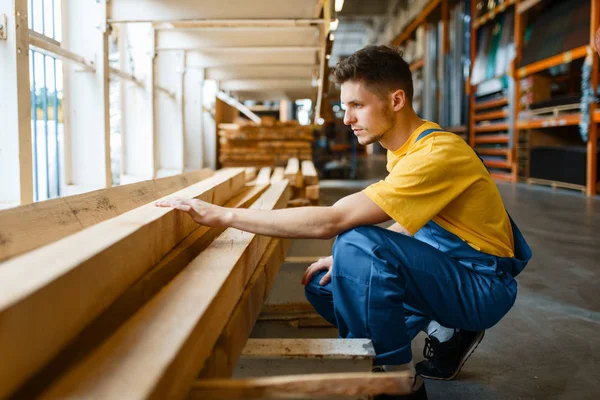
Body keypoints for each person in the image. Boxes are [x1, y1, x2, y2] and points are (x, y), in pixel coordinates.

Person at [156, 45, 532, 399]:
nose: (347, 118)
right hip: (452, 268)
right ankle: (438, 330)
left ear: (396, 100)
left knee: (355, 242)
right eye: (344, 107)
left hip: (483, 285)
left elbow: (333, 220)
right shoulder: (403, 149)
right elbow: (417, 219)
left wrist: (224, 215)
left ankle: (398, 379)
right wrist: (349, 264)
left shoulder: (437, 153)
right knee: (327, 285)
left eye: (356, 105)